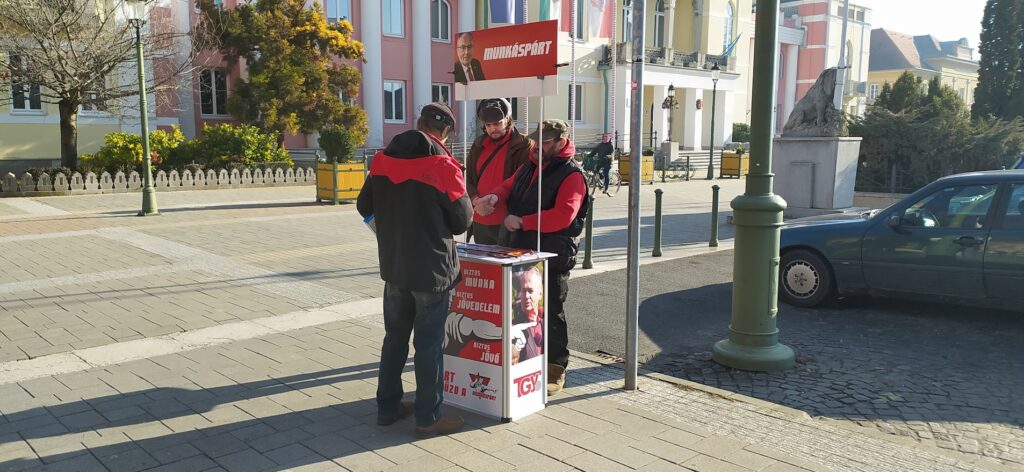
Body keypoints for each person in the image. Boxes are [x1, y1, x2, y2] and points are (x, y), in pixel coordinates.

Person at [356, 102, 472, 438]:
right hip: (433, 272)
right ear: (445, 132)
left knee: (394, 338)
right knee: (429, 344)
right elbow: (462, 221)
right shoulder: (443, 165)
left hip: (394, 268)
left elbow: (364, 206)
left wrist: (390, 231)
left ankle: (388, 408)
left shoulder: (381, 159)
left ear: (418, 122)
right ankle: (428, 416)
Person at [475, 119, 588, 395]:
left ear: (561, 143)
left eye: (546, 142)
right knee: (521, 313)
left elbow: (564, 215)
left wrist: (524, 222)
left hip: (552, 253)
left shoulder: (572, 174)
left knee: (550, 312)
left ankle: (555, 370)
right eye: (537, 141)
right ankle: (526, 361)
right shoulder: (530, 166)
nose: (538, 146)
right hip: (520, 251)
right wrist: (492, 198)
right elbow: (507, 187)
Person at [466, 98, 533, 244]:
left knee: (507, 266)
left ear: (508, 120)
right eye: (488, 125)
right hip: (480, 219)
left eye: (497, 123)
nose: (492, 128)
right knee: (484, 266)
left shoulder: (524, 145)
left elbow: (522, 181)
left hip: (507, 220)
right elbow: (469, 179)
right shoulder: (478, 145)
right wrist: (476, 200)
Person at [510, 264, 544, 365]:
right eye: (524, 291)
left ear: (540, 294)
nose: (526, 296)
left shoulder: (546, 319)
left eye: (530, 291)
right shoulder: (513, 327)